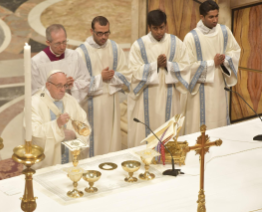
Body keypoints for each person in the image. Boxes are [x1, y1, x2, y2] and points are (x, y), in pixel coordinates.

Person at [127, 9, 190, 148]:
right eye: (155, 28)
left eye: (161, 27)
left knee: (168, 133)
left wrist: (168, 65)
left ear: (166, 25)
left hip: (170, 96)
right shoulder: (139, 45)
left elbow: (186, 66)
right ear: (149, 27)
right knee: (148, 131)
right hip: (146, 98)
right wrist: (155, 65)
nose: (159, 32)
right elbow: (132, 72)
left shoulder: (175, 43)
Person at [76, 16, 131, 157]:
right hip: (91, 106)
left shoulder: (114, 47)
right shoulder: (81, 53)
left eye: (106, 33)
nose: (103, 37)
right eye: (99, 33)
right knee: (95, 140)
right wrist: (100, 78)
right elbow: (77, 85)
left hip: (111, 103)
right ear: (91, 31)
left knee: (110, 139)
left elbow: (126, 74)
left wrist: (113, 77)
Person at [183, 0, 240, 134]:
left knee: (219, 122)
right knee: (200, 127)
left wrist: (225, 60)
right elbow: (186, 67)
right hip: (200, 91)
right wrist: (211, 64)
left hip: (220, 86)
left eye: (217, 16)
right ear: (201, 17)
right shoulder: (191, 38)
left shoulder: (225, 31)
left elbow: (235, 51)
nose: (215, 20)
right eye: (211, 17)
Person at [31, 70, 90, 168]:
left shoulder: (71, 100)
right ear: (48, 85)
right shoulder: (34, 102)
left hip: (71, 160)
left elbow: (85, 127)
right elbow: (34, 132)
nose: (63, 90)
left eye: (65, 85)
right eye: (59, 85)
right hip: (48, 164)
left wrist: (75, 135)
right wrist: (56, 125)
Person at [31, 24, 90, 102]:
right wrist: (58, 86)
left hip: (72, 106)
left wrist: (72, 86)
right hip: (49, 110)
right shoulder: (36, 62)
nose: (62, 47)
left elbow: (86, 82)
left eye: (64, 42)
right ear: (48, 43)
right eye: (58, 43)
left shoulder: (74, 56)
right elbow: (36, 93)